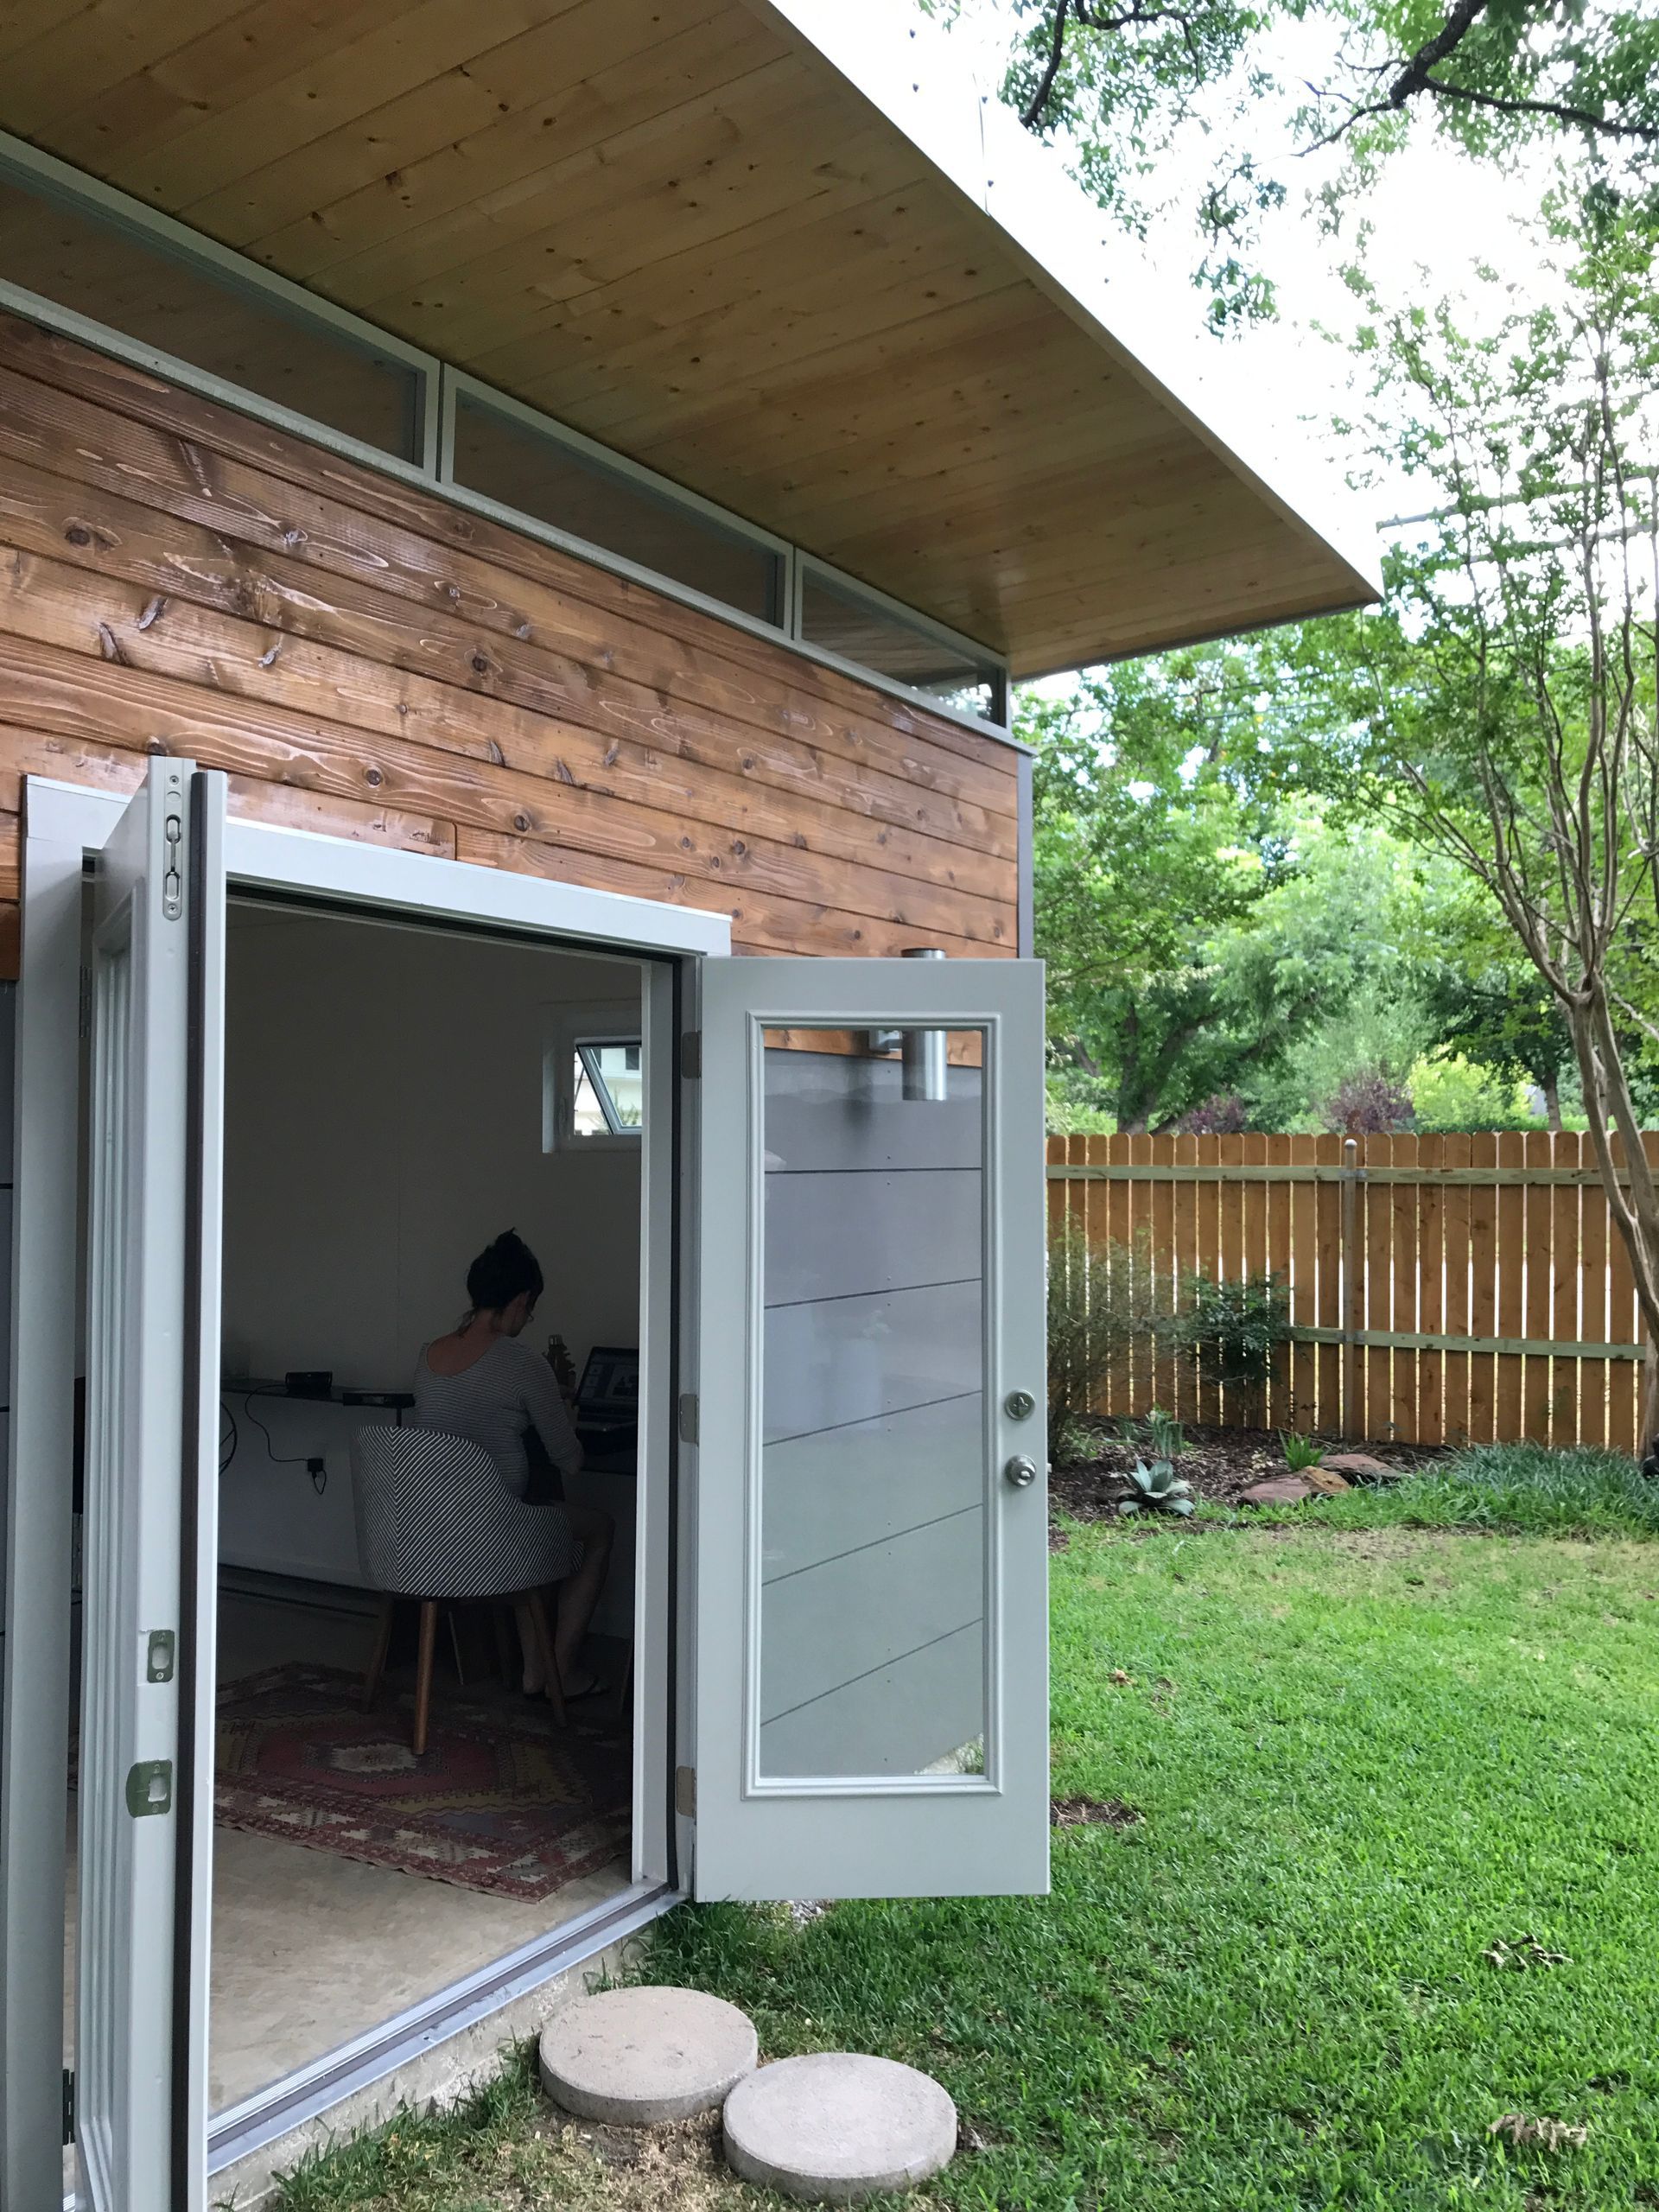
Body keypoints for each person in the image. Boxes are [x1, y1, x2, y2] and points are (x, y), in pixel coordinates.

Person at [415, 1230, 613, 1700]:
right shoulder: (525, 1364)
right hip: (495, 1535)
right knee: (598, 1528)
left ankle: (532, 1671)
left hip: (430, 1530)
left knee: (531, 1504)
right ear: (522, 1300)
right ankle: (560, 1670)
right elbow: (571, 1460)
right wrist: (563, 1412)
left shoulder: (427, 1354)